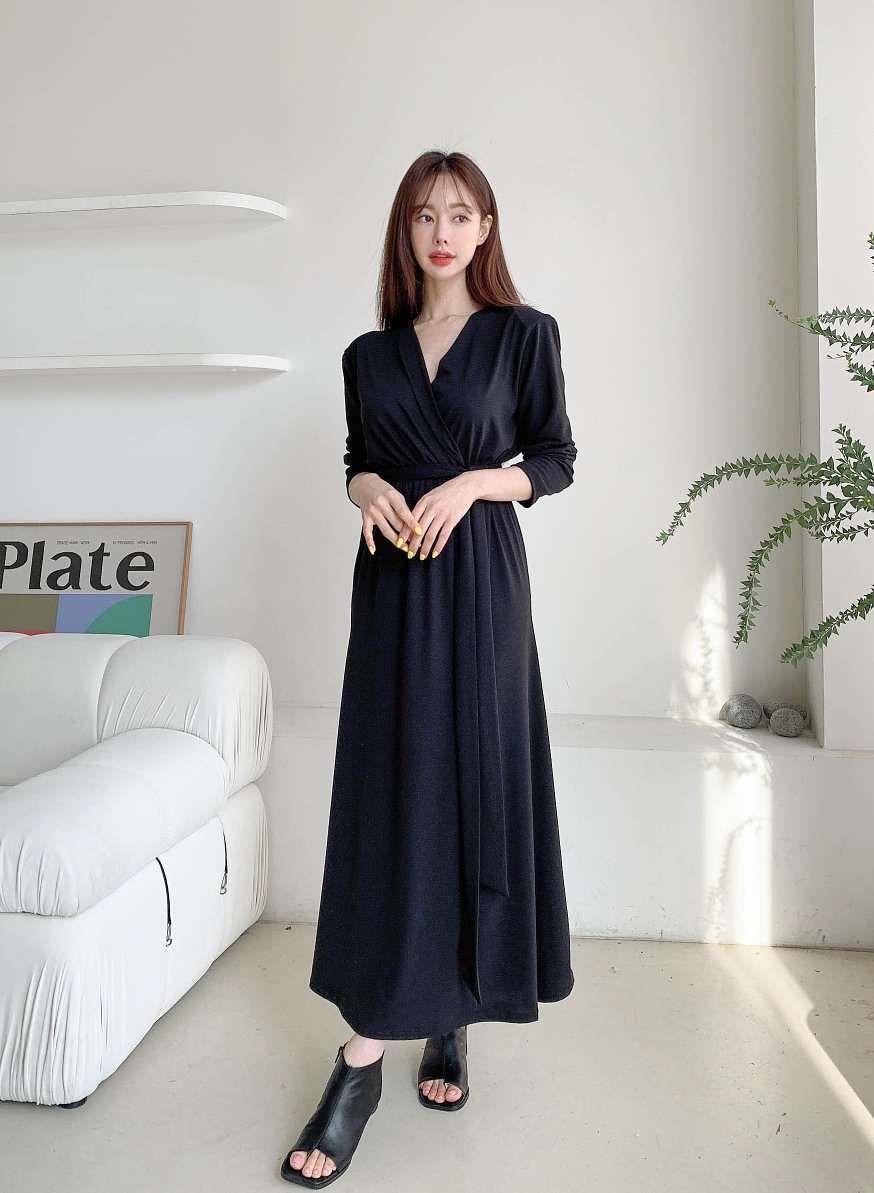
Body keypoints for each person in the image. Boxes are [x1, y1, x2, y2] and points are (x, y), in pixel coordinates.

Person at [282, 149, 577, 1187]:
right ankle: (371, 1048)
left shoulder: (524, 333)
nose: (441, 231)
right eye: (423, 215)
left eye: (459, 213)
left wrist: (476, 484)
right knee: (396, 793)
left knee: (476, 782)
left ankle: (430, 1024)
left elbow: (554, 459)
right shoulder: (368, 354)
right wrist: (366, 488)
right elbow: (357, 460)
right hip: (393, 590)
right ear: (403, 232)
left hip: (484, 584)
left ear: (486, 226)